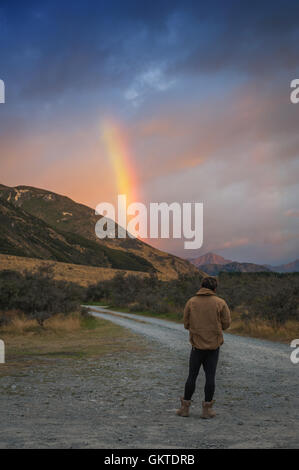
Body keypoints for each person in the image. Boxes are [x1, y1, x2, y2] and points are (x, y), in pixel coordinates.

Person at [176, 276, 231, 419]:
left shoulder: (191, 302)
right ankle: (207, 410)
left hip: (196, 346)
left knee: (192, 376)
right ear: (215, 288)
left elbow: (186, 324)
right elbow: (226, 324)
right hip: (213, 347)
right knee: (210, 377)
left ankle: (185, 408)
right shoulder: (220, 302)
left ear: (201, 286)